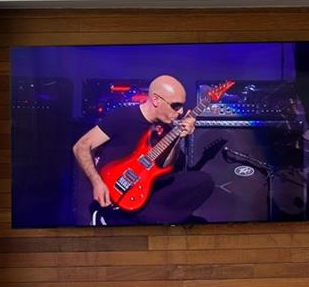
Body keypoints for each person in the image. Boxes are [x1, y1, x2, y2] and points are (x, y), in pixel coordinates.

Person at [71, 75, 215, 224]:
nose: (180, 112)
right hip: (112, 190)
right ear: (156, 100)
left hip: (143, 193)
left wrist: (178, 136)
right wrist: (97, 183)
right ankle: (116, 218)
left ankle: (140, 220)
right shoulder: (123, 116)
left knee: (203, 181)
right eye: (176, 106)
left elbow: (165, 166)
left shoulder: (167, 128)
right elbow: (81, 147)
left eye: (182, 106)